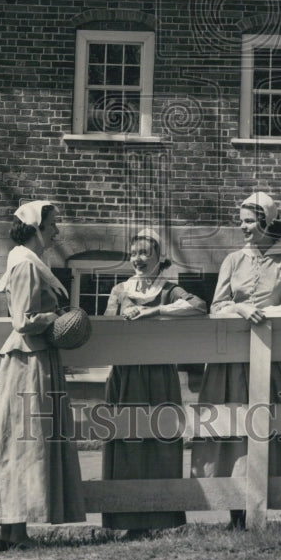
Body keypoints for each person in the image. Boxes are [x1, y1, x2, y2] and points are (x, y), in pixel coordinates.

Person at [190, 192, 281, 529]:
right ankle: (234, 511)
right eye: (240, 220)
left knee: (269, 427)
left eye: (247, 220)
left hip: (271, 361)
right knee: (230, 431)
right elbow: (216, 307)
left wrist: (260, 313)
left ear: (266, 221)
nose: (241, 227)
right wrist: (240, 308)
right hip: (229, 363)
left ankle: (265, 507)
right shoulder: (232, 260)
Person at [0, 200, 85, 549]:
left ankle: (12, 532)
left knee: (27, 442)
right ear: (36, 227)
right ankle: (15, 532)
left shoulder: (29, 261)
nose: (57, 231)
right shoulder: (25, 265)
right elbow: (22, 321)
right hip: (29, 362)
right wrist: (58, 317)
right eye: (53, 224)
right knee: (25, 444)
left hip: (37, 360)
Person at [101, 228, 206, 537]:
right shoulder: (120, 290)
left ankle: (160, 518)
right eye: (134, 252)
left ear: (160, 258)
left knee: (159, 442)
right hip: (126, 375)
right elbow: (105, 326)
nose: (138, 258)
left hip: (159, 374)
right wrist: (121, 318)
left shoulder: (169, 289)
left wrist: (156, 311)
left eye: (146, 252)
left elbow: (200, 306)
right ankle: (128, 522)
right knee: (127, 442)